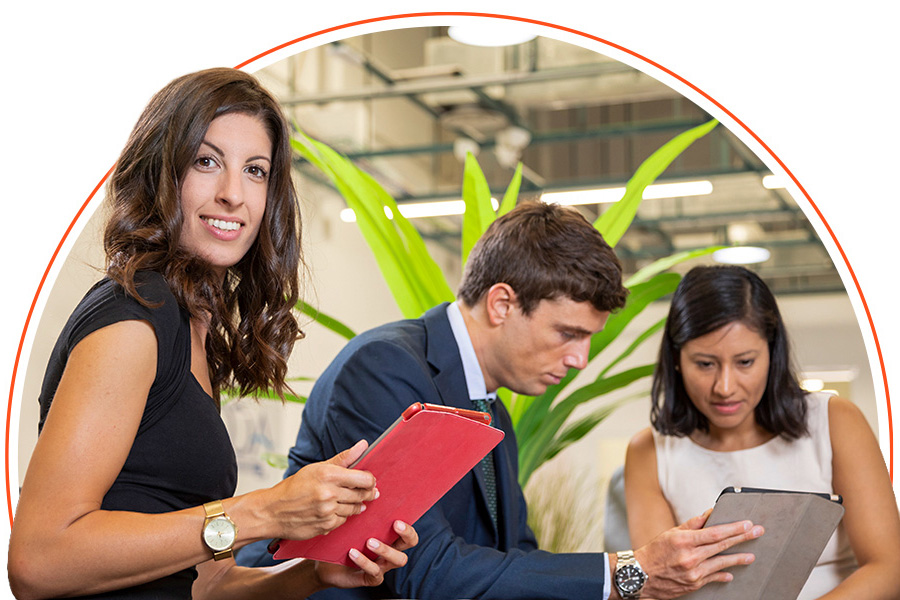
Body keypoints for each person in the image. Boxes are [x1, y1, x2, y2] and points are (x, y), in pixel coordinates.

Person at [8, 68, 418, 600]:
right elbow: (39, 560)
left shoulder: (189, 329)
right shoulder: (133, 320)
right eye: (206, 162)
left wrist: (313, 573)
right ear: (161, 174)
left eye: (255, 171)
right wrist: (262, 511)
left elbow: (201, 585)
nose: (233, 195)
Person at [238, 201, 765, 600]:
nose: (580, 359)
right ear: (502, 304)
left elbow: (518, 556)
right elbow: (425, 569)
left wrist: (642, 576)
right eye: (568, 333)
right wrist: (629, 571)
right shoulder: (385, 368)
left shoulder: (492, 408)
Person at [624, 265, 900, 599]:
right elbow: (661, 587)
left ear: (772, 353)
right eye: (705, 364)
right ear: (677, 359)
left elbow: (888, 567)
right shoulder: (649, 453)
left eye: (745, 362)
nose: (725, 387)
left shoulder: (835, 420)